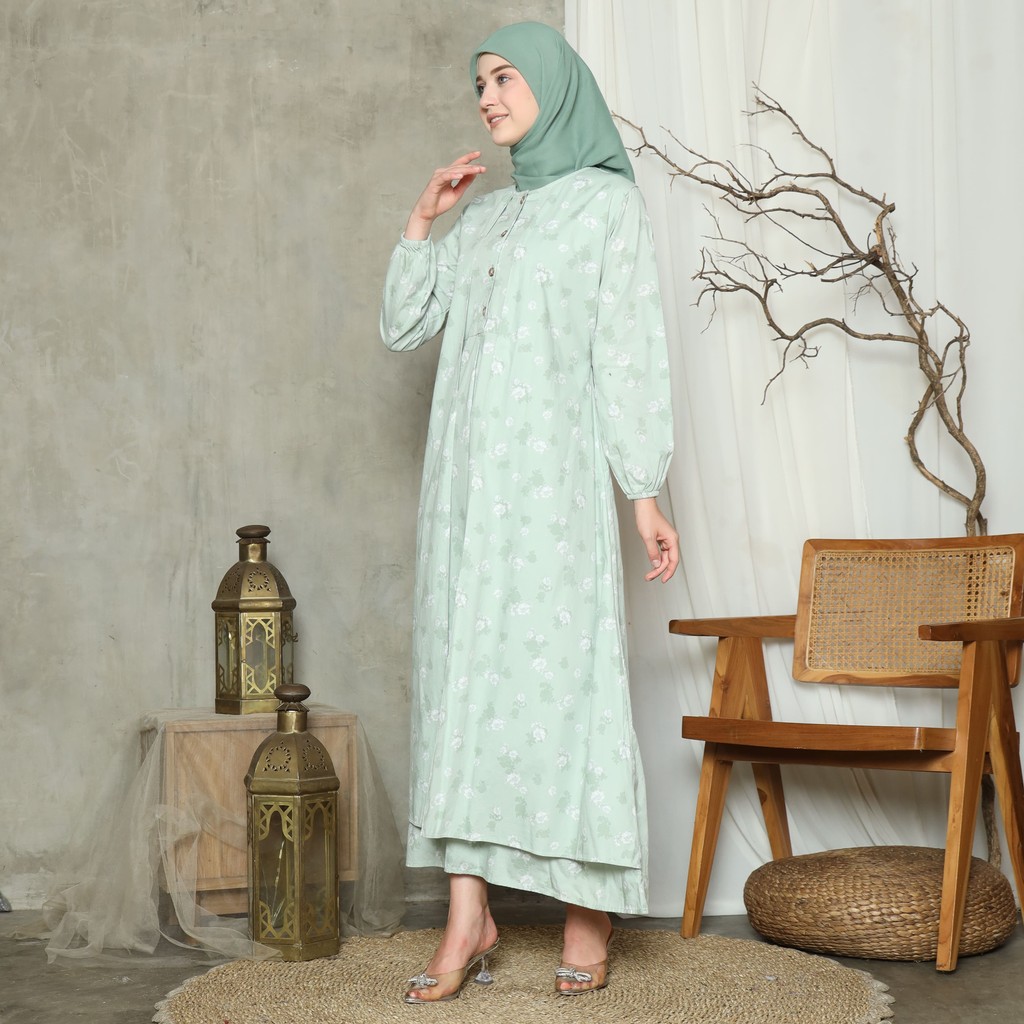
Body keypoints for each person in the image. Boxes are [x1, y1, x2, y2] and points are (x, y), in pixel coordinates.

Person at [380, 21, 678, 1003]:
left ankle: (589, 909)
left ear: (553, 83)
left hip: (552, 491)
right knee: (462, 686)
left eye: (504, 77)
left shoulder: (605, 208)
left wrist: (643, 492)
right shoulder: (487, 217)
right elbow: (405, 326)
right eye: (479, 84)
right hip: (462, 498)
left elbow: (625, 351)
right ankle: (469, 914)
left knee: (566, 687)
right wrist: (423, 222)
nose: (488, 98)